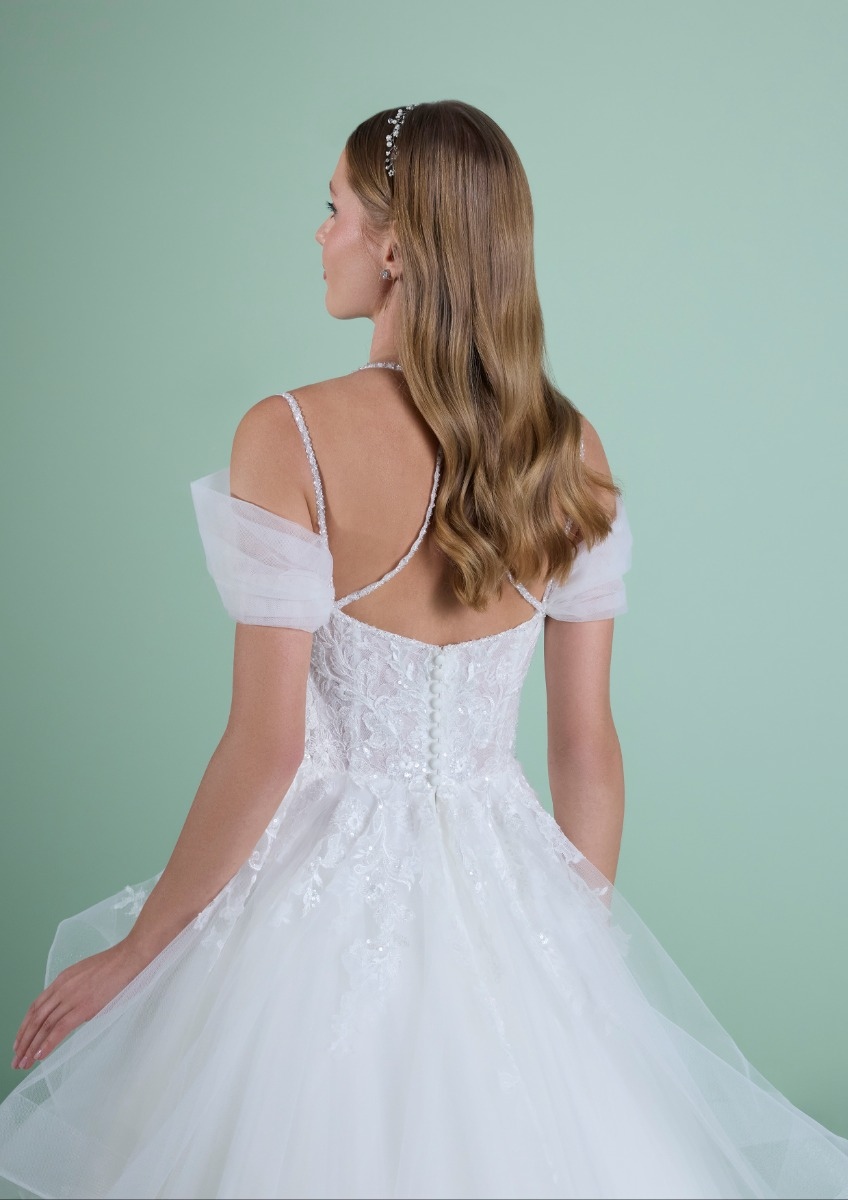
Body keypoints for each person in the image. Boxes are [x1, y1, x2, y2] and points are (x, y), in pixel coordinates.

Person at [0, 99, 846, 1200]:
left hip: (315, 901)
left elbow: (264, 749)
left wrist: (137, 951)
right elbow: (585, 749)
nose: (320, 236)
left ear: (393, 247)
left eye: (333, 209)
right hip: (509, 895)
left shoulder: (289, 434)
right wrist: (571, 950)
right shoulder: (571, 451)